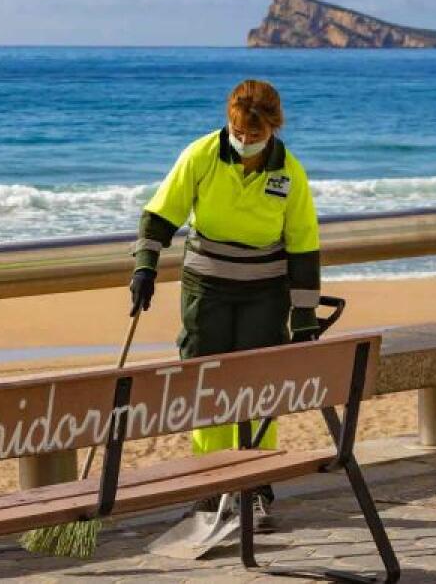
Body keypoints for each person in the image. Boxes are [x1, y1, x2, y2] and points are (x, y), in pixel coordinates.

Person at [130, 79, 320, 529]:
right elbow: (160, 214)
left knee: (259, 387)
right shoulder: (200, 155)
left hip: (264, 293)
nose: (244, 141)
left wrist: (305, 316)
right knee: (205, 383)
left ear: (272, 128)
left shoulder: (289, 172)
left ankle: (256, 484)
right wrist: (145, 267)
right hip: (207, 290)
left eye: (254, 135)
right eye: (238, 132)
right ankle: (210, 485)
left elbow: (304, 247)